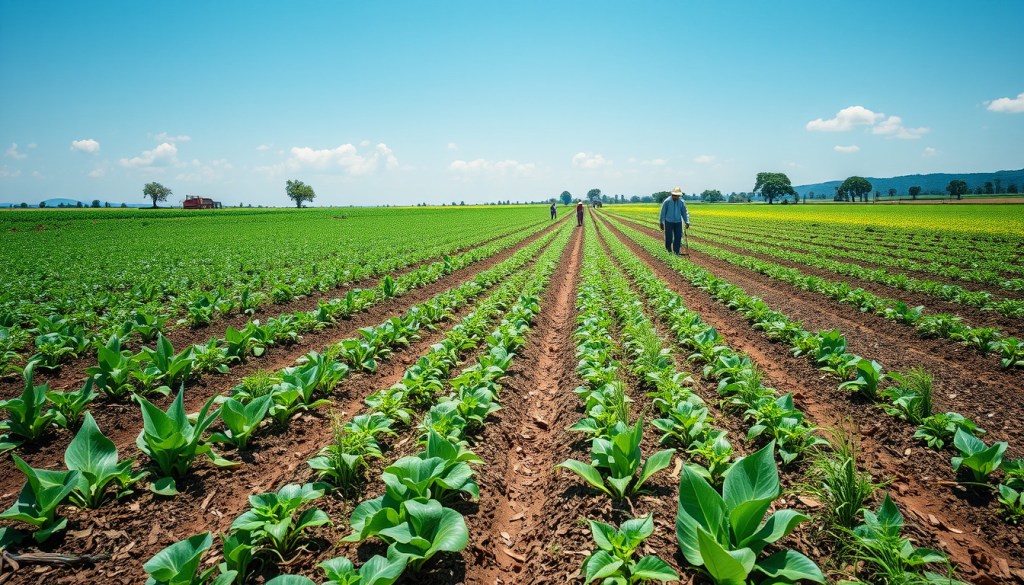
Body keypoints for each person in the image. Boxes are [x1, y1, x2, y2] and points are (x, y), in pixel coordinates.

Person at [659, 187, 690, 255]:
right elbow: (663, 212)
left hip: (678, 222)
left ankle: (677, 252)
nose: (675, 197)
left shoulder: (681, 202)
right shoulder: (667, 201)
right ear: (672, 194)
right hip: (668, 221)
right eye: (674, 195)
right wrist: (661, 222)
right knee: (669, 237)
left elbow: (684, 212)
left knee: (678, 237)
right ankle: (668, 250)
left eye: (677, 195)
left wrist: (687, 221)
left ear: (679, 195)